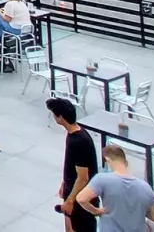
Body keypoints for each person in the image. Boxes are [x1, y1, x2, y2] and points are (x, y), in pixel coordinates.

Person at [78, 144, 154, 231]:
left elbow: (81, 199)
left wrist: (96, 211)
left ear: (108, 161)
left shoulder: (101, 179)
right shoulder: (145, 187)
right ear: (126, 163)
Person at [50, 97, 99, 232]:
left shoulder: (78, 141)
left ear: (60, 118)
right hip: (72, 190)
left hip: (80, 198)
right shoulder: (75, 134)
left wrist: (70, 200)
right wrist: (64, 184)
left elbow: (83, 177)